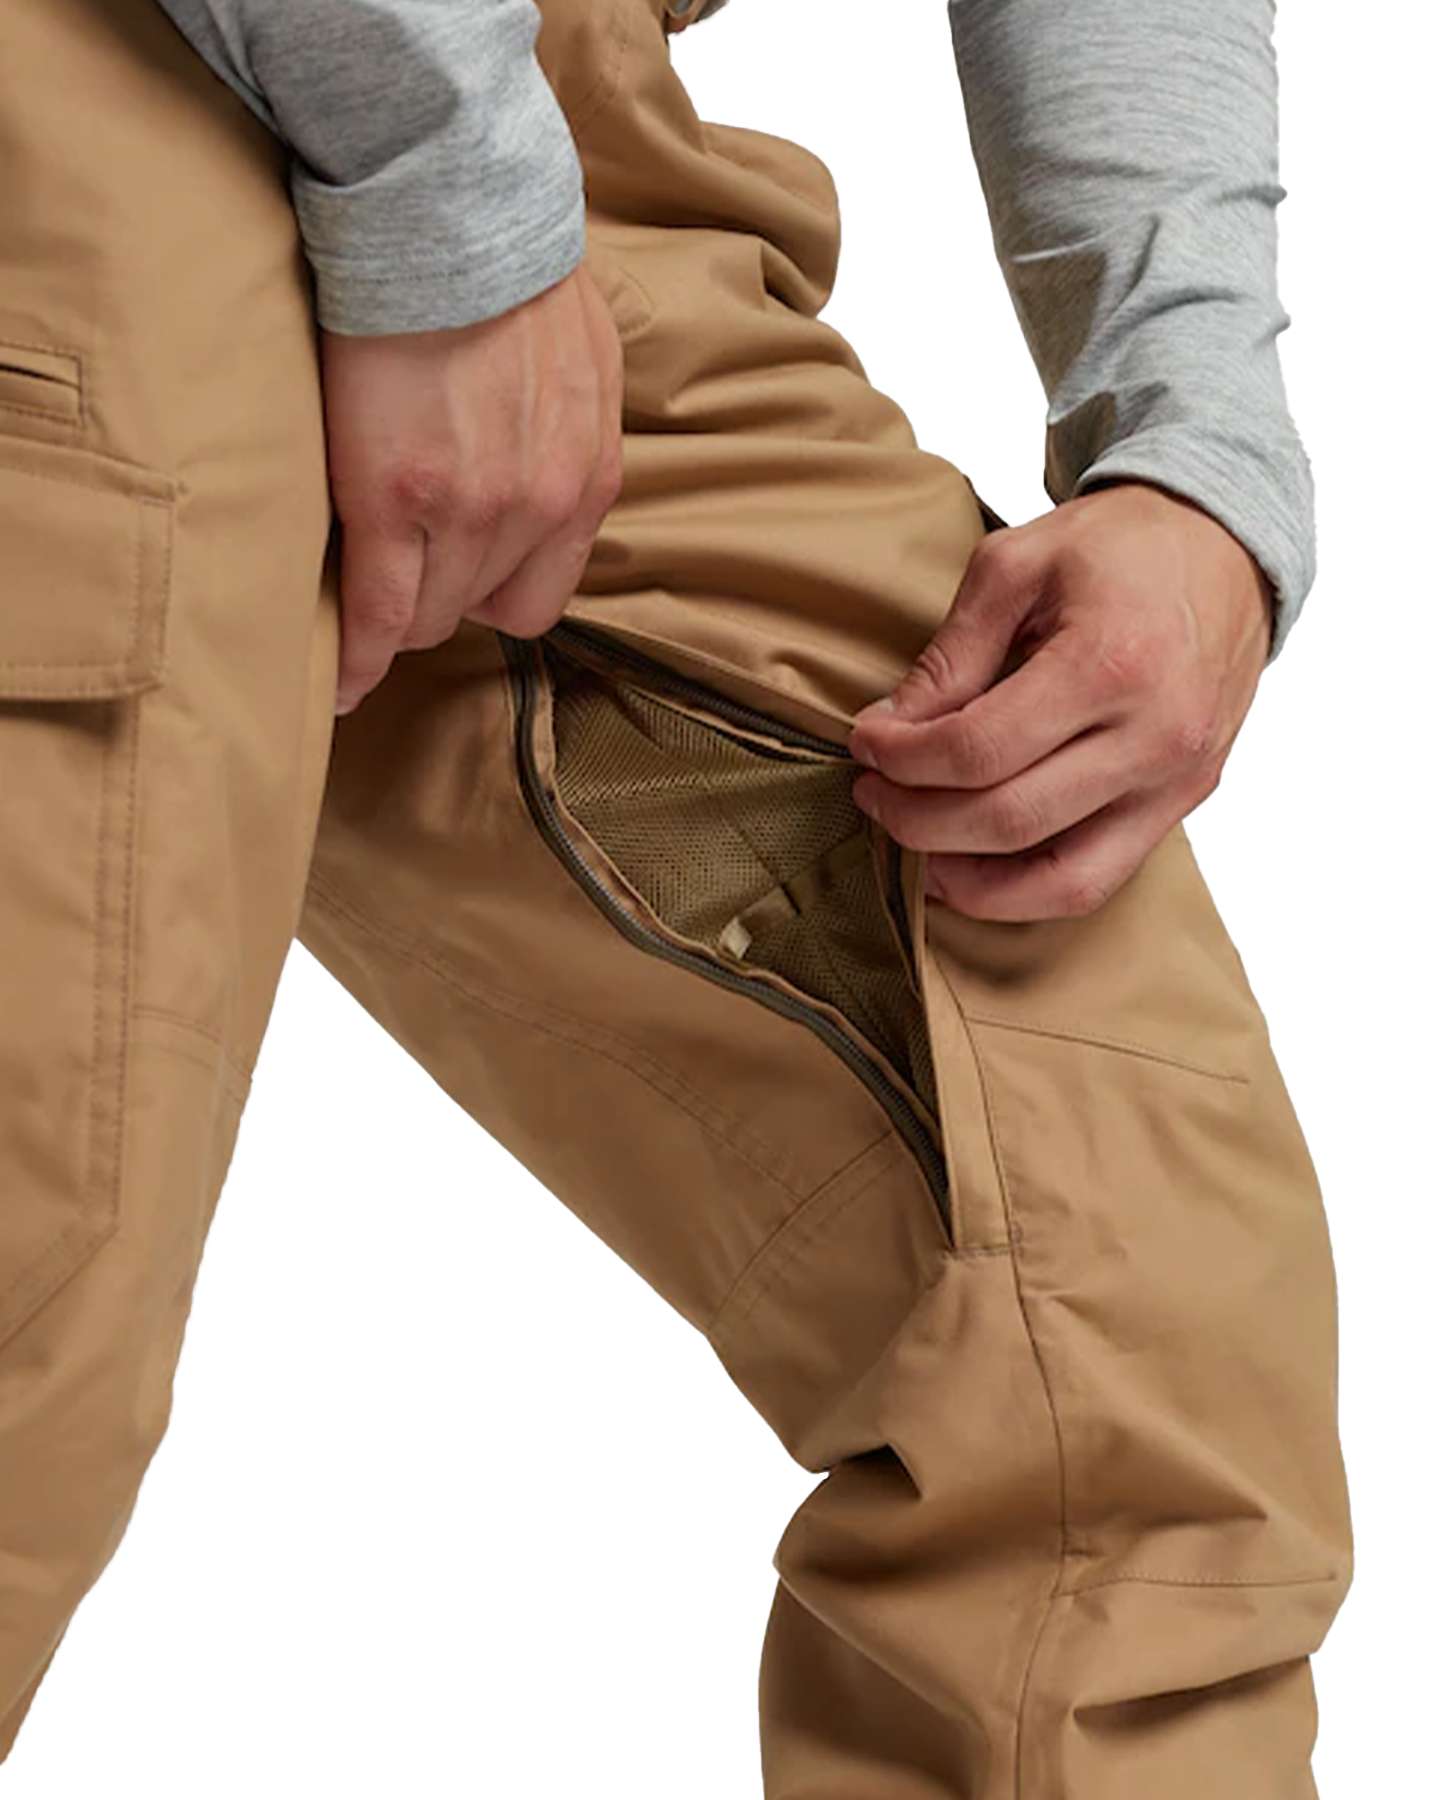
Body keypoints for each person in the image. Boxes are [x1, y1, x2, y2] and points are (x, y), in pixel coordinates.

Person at [0, 0, 1351, 1792]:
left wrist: (1198, 446)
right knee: (29, 1329)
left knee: (1119, 1346)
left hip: (547, 136)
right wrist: (431, 169)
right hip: (113, 66)